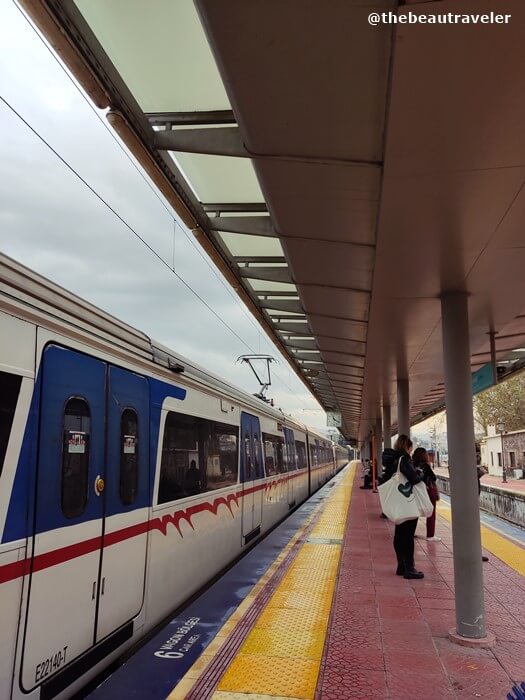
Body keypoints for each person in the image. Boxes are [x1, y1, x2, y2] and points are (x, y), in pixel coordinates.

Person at [382, 435, 424, 579]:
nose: (412, 450)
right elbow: (414, 479)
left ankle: (401, 565)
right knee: (408, 535)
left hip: (397, 501)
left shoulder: (391, 460)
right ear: (408, 446)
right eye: (410, 447)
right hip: (407, 501)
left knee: (399, 533)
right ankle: (409, 568)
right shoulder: (404, 459)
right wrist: (420, 473)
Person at [413, 447, 441, 542]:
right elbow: (433, 478)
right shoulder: (426, 466)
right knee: (431, 512)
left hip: (416, 491)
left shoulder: (412, 465)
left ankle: (411, 532)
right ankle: (430, 535)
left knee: (414, 511)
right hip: (429, 490)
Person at [477, 463, 489, 561]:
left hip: (470, 497)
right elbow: (480, 473)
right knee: (473, 527)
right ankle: (475, 552)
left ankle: (475, 552)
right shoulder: (466, 465)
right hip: (470, 499)